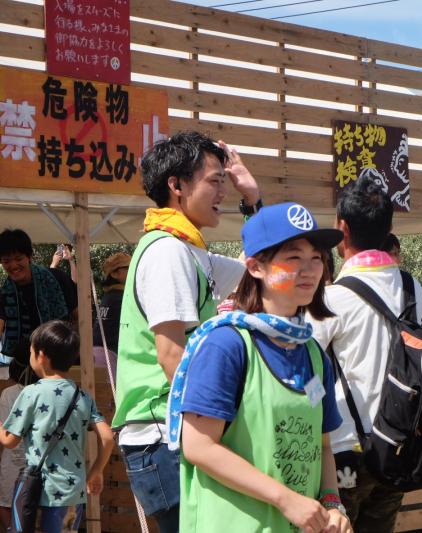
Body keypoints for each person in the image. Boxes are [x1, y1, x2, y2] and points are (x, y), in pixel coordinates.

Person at [167, 202, 351, 532]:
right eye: (293, 257)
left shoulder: (313, 354)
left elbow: (322, 446)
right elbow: (198, 446)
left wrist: (332, 503)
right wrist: (285, 498)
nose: (309, 269)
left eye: (316, 257)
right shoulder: (226, 345)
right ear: (255, 267)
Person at [111, 131, 260, 532]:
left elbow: (255, 269)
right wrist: (216, 430)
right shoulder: (167, 251)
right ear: (176, 186)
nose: (222, 192)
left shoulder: (188, 249)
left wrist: (252, 200)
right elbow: (171, 356)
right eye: (215, 181)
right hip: (166, 436)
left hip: (171, 433)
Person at [307, 177, 422, 532]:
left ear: (342, 229)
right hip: (397, 445)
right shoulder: (412, 288)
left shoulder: (331, 298)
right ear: (389, 229)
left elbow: (307, 366)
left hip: (343, 447)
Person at [0, 320, 114, 533]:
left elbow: (9, 440)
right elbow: (107, 437)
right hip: (73, 494)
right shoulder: (82, 396)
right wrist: (97, 470)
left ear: (41, 355)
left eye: (31, 351)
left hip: (40, 493)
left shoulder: (31, 393)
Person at [0, 229, 78, 381]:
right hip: (24, 369)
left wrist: (78, 351)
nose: (13, 265)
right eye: (6, 261)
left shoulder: (57, 279)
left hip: (62, 364)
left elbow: (80, 318)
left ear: (29, 256)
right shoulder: (5, 293)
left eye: (18, 258)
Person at [0, 375, 26, 530]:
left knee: (6, 501)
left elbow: (6, 435)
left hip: (12, 456)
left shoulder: (8, 393)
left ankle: (11, 529)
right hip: (39, 460)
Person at [92, 252, 131, 355]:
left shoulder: (109, 296)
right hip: (112, 357)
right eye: (128, 267)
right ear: (114, 274)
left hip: (100, 355)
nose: (134, 270)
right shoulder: (121, 298)